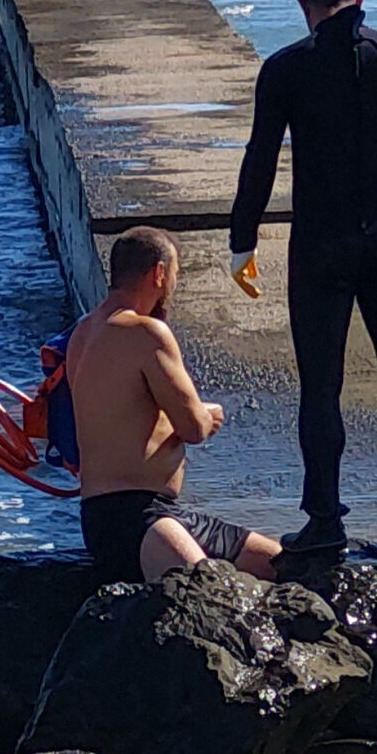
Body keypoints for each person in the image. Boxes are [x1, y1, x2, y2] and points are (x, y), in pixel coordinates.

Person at [227, 0, 377, 563]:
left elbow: (261, 158)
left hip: (320, 244)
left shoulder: (286, 68)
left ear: (305, 7)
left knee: (320, 387)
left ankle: (325, 521)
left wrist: (241, 239)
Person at [67, 227, 284, 583]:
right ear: (159, 273)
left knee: (276, 563)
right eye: (176, 274)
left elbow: (122, 415)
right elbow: (194, 428)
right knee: (211, 596)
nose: (174, 285)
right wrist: (207, 413)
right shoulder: (147, 332)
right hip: (140, 520)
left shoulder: (82, 333)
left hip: (113, 513)